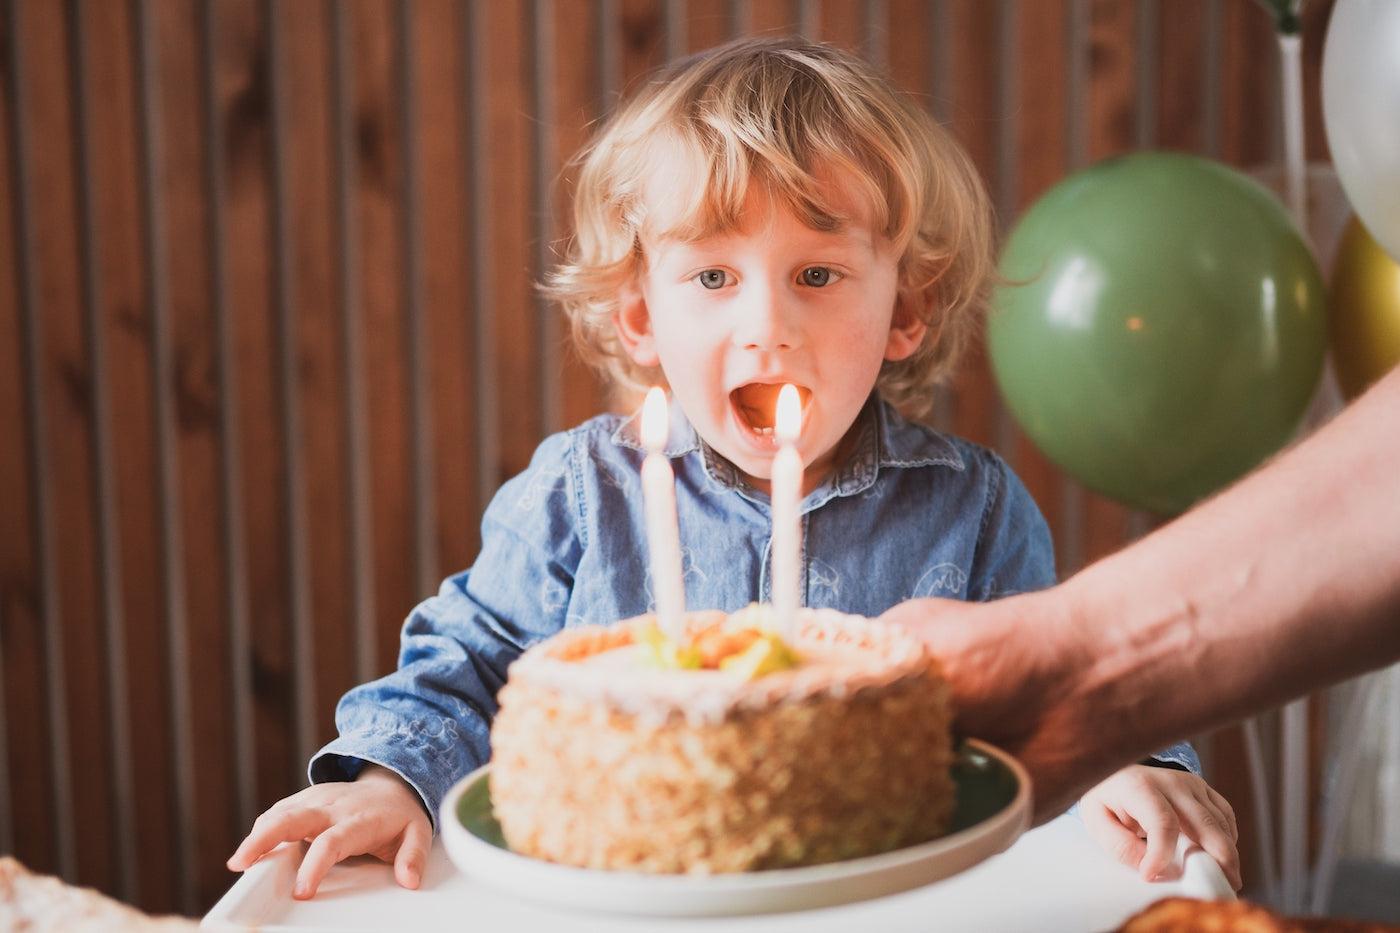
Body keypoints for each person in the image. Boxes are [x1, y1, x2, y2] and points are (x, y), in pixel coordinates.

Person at [226, 37, 1239, 898]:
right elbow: (464, 663)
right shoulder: (582, 495)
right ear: (637, 316)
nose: (766, 326)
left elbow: (1061, 684)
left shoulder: (966, 509)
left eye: (816, 275)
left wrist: (1132, 763)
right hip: (627, 901)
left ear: (905, 310)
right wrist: (386, 780)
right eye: (712, 276)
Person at [883, 362, 1400, 831]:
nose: (794, 327)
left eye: (818, 276)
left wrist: (1117, 763)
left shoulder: (975, 499)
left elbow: (1033, 729)